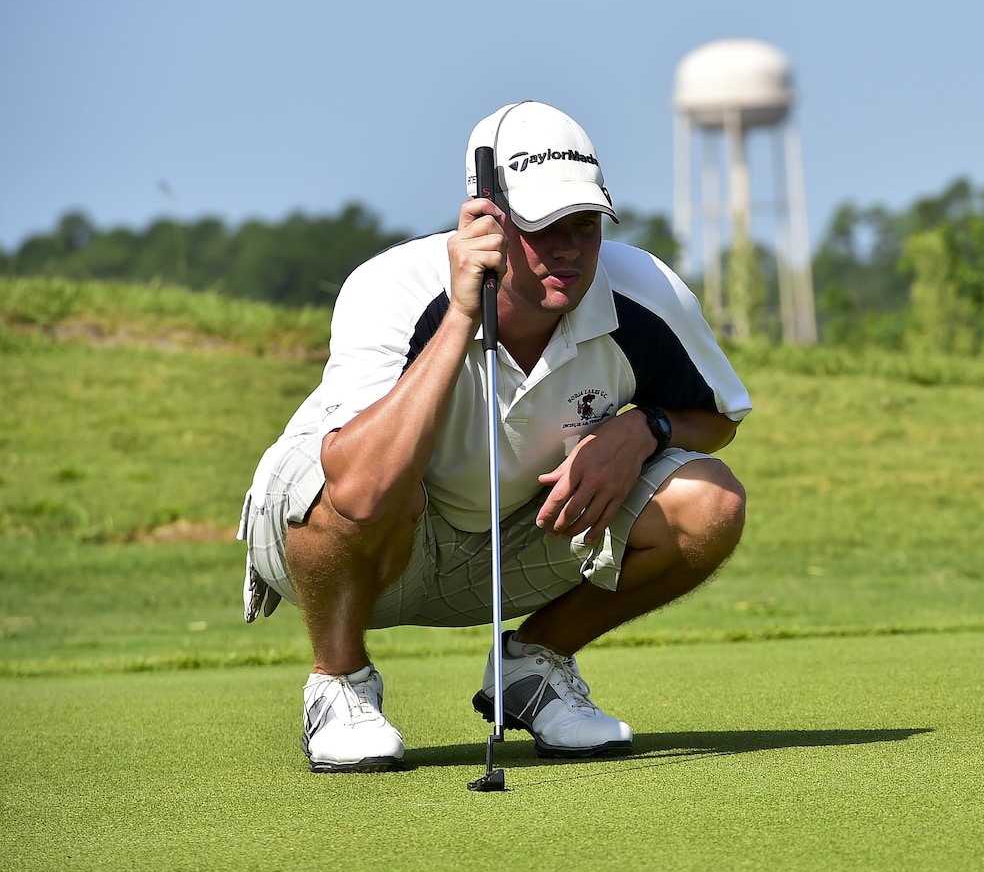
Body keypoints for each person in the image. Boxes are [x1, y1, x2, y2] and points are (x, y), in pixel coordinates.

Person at [237, 101, 750, 772]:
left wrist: (643, 429)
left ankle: (531, 668)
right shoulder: (392, 288)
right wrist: (459, 314)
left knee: (710, 503)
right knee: (341, 478)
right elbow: (359, 491)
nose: (568, 246)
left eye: (585, 223)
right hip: (351, 547)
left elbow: (718, 416)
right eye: (543, 227)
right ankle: (339, 684)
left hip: (515, 539)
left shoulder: (646, 293)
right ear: (488, 220)